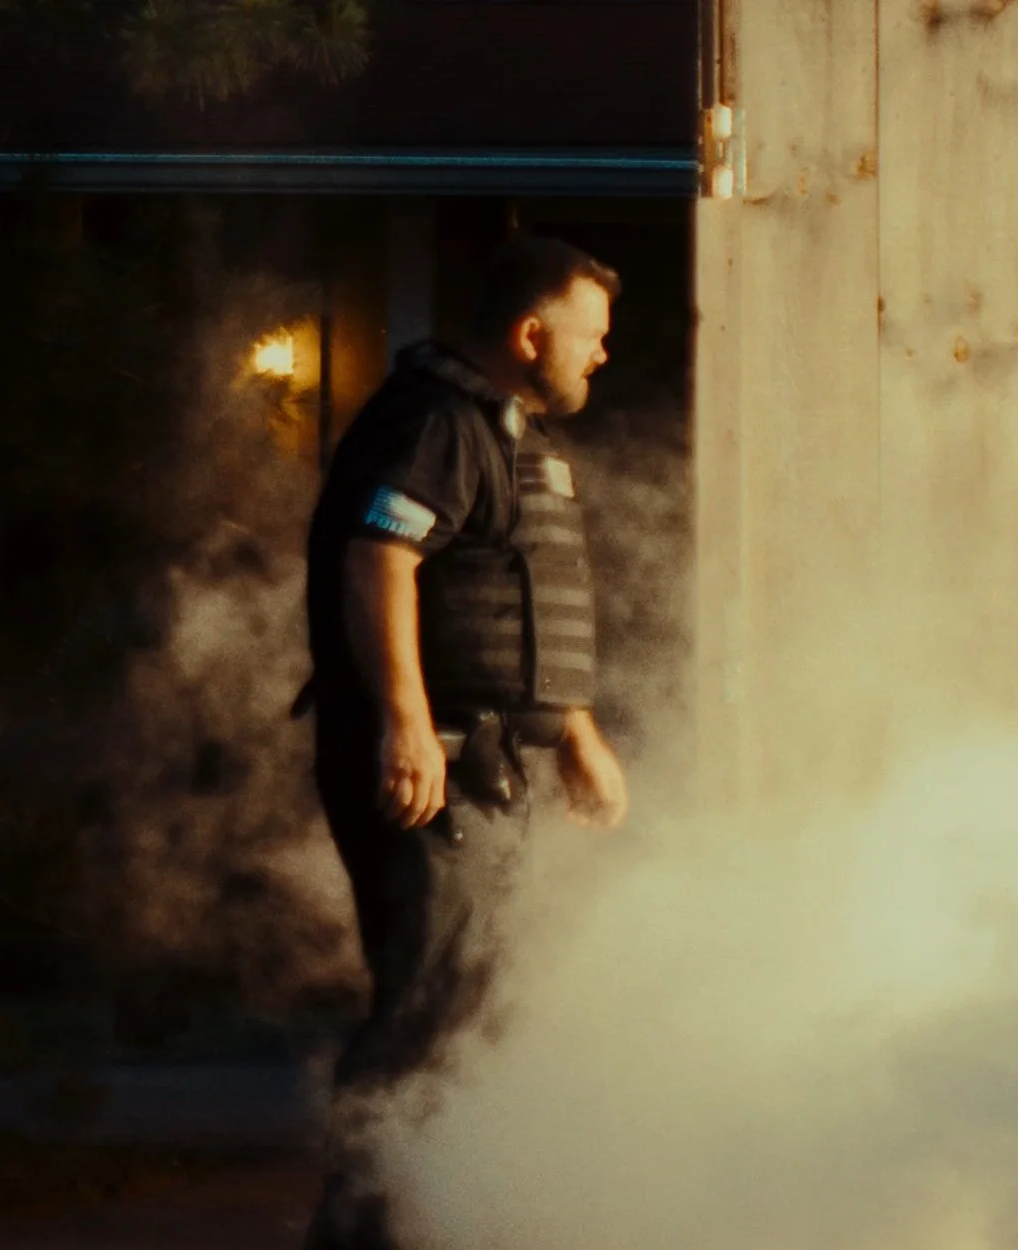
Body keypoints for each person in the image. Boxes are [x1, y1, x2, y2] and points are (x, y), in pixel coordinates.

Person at [295, 234, 630, 1249]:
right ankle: (362, 1232)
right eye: (590, 336)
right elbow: (379, 559)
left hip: (487, 761)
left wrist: (573, 729)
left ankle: (426, 1218)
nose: (603, 355)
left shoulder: (507, 434)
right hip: (434, 757)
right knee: (429, 1008)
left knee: (475, 1003)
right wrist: (404, 720)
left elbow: (505, 602)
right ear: (530, 334)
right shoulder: (437, 421)